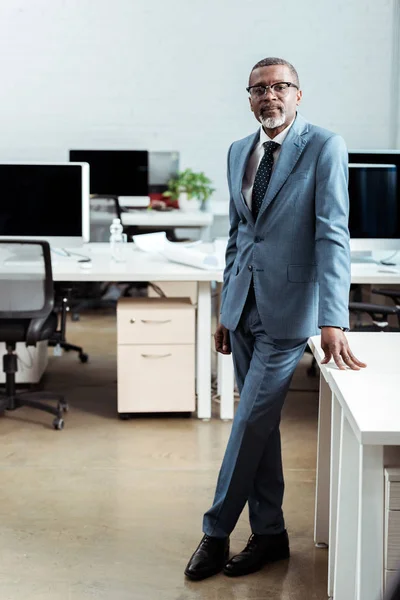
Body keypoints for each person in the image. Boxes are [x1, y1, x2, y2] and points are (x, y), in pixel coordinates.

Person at [184, 56, 366, 581]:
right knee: (258, 427)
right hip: (244, 307)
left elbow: (333, 233)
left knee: (247, 424)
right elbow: (240, 236)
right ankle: (270, 534)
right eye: (259, 88)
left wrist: (334, 317)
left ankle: (216, 532)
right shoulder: (239, 151)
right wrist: (225, 306)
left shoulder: (324, 146)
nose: (270, 96)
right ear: (249, 98)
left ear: (298, 94)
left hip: (290, 311)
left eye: (281, 86)